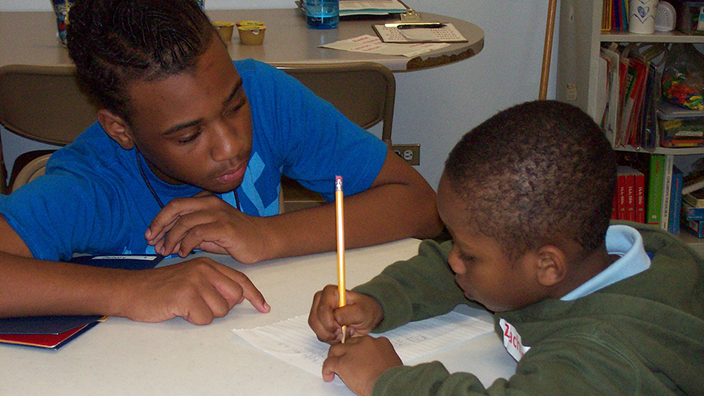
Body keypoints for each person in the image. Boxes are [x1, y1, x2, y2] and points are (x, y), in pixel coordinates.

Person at [0, 0, 442, 325]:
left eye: (234, 106)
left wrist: (268, 235)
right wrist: (129, 291)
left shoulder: (266, 94)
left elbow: (419, 205)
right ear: (120, 130)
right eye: (188, 135)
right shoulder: (92, 183)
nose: (230, 145)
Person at [308, 100, 704, 396]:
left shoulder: (600, 357)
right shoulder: (584, 255)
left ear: (547, 265)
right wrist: (380, 300)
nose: (452, 260)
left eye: (467, 252)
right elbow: (454, 272)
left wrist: (388, 380)